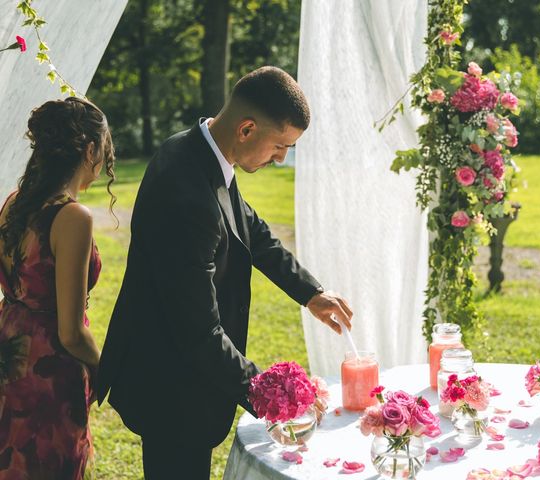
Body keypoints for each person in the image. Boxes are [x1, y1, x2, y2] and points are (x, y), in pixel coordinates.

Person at [97, 66, 353, 479]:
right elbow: (198, 330)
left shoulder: (203, 152)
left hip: (186, 374)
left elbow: (249, 228)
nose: (281, 158)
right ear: (247, 129)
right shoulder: (186, 194)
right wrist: (273, 395)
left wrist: (311, 292)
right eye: (280, 145)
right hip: (170, 386)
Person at [0, 97, 115, 479]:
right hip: (48, 368)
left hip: (8, 348)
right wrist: (104, 368)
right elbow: (71, 331)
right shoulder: (72, 217)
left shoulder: (13, 204)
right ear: (89, 150)